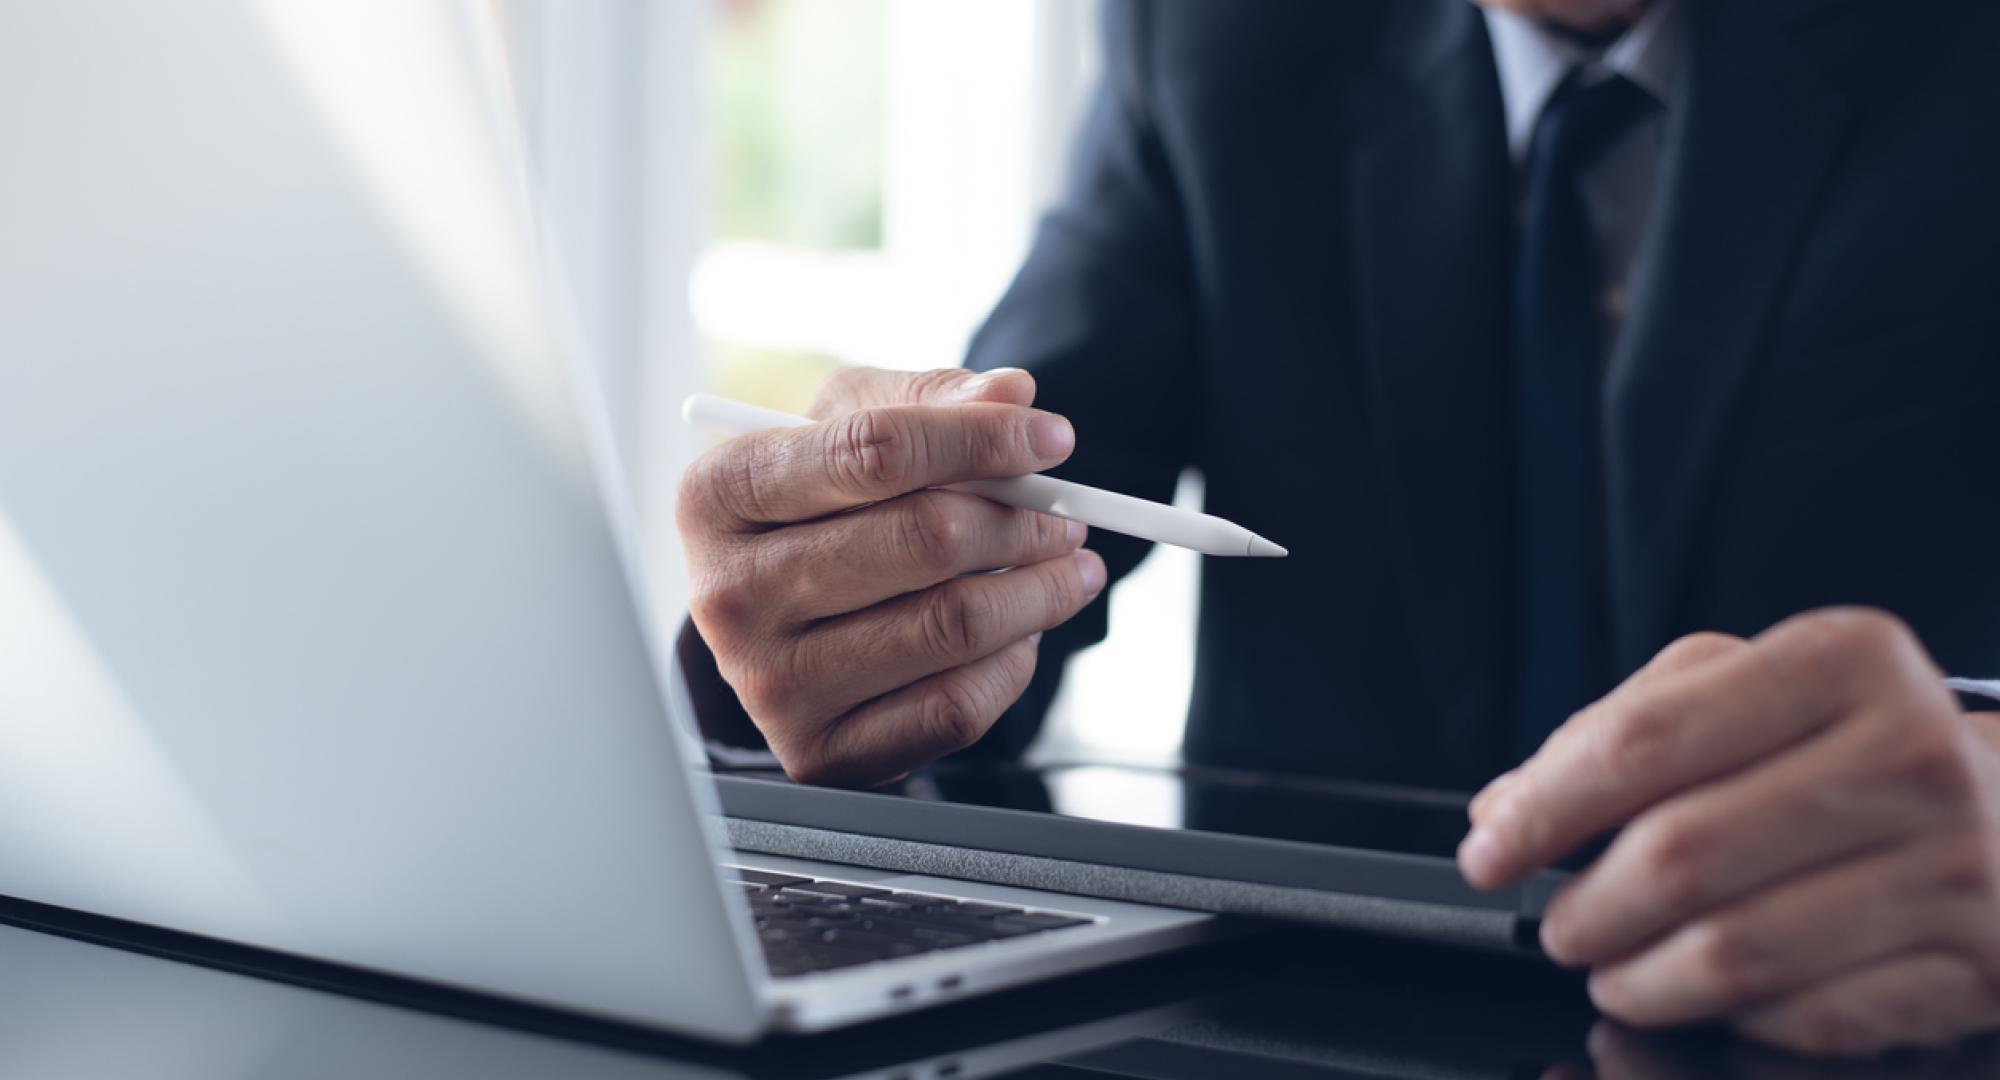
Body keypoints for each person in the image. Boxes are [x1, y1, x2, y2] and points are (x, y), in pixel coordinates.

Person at [674, 0, 2000, 1058]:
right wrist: (825, 623)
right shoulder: (1209, 33)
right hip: (1286, 1018)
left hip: (1838, 1012)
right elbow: (1004, 497)